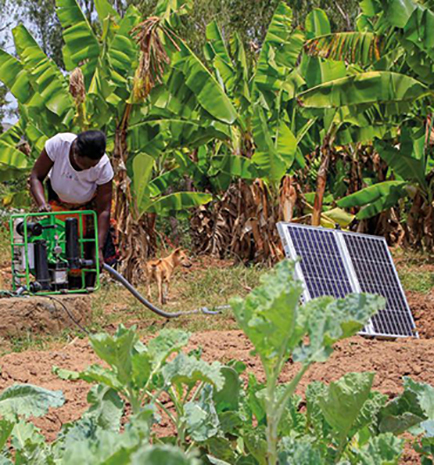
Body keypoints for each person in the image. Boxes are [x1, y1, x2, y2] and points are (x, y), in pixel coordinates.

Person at [29, 130, 117, 269]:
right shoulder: (59, 144)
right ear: (76, 152)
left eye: (93, 166)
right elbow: (36, 177)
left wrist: (98, 247)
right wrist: (42, 204)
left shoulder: (103, 166)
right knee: (54, 252)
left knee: (83, 259)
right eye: (86, 165)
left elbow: (104, 210)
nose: (90, 169)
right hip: (57, 205)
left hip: (86, 210)